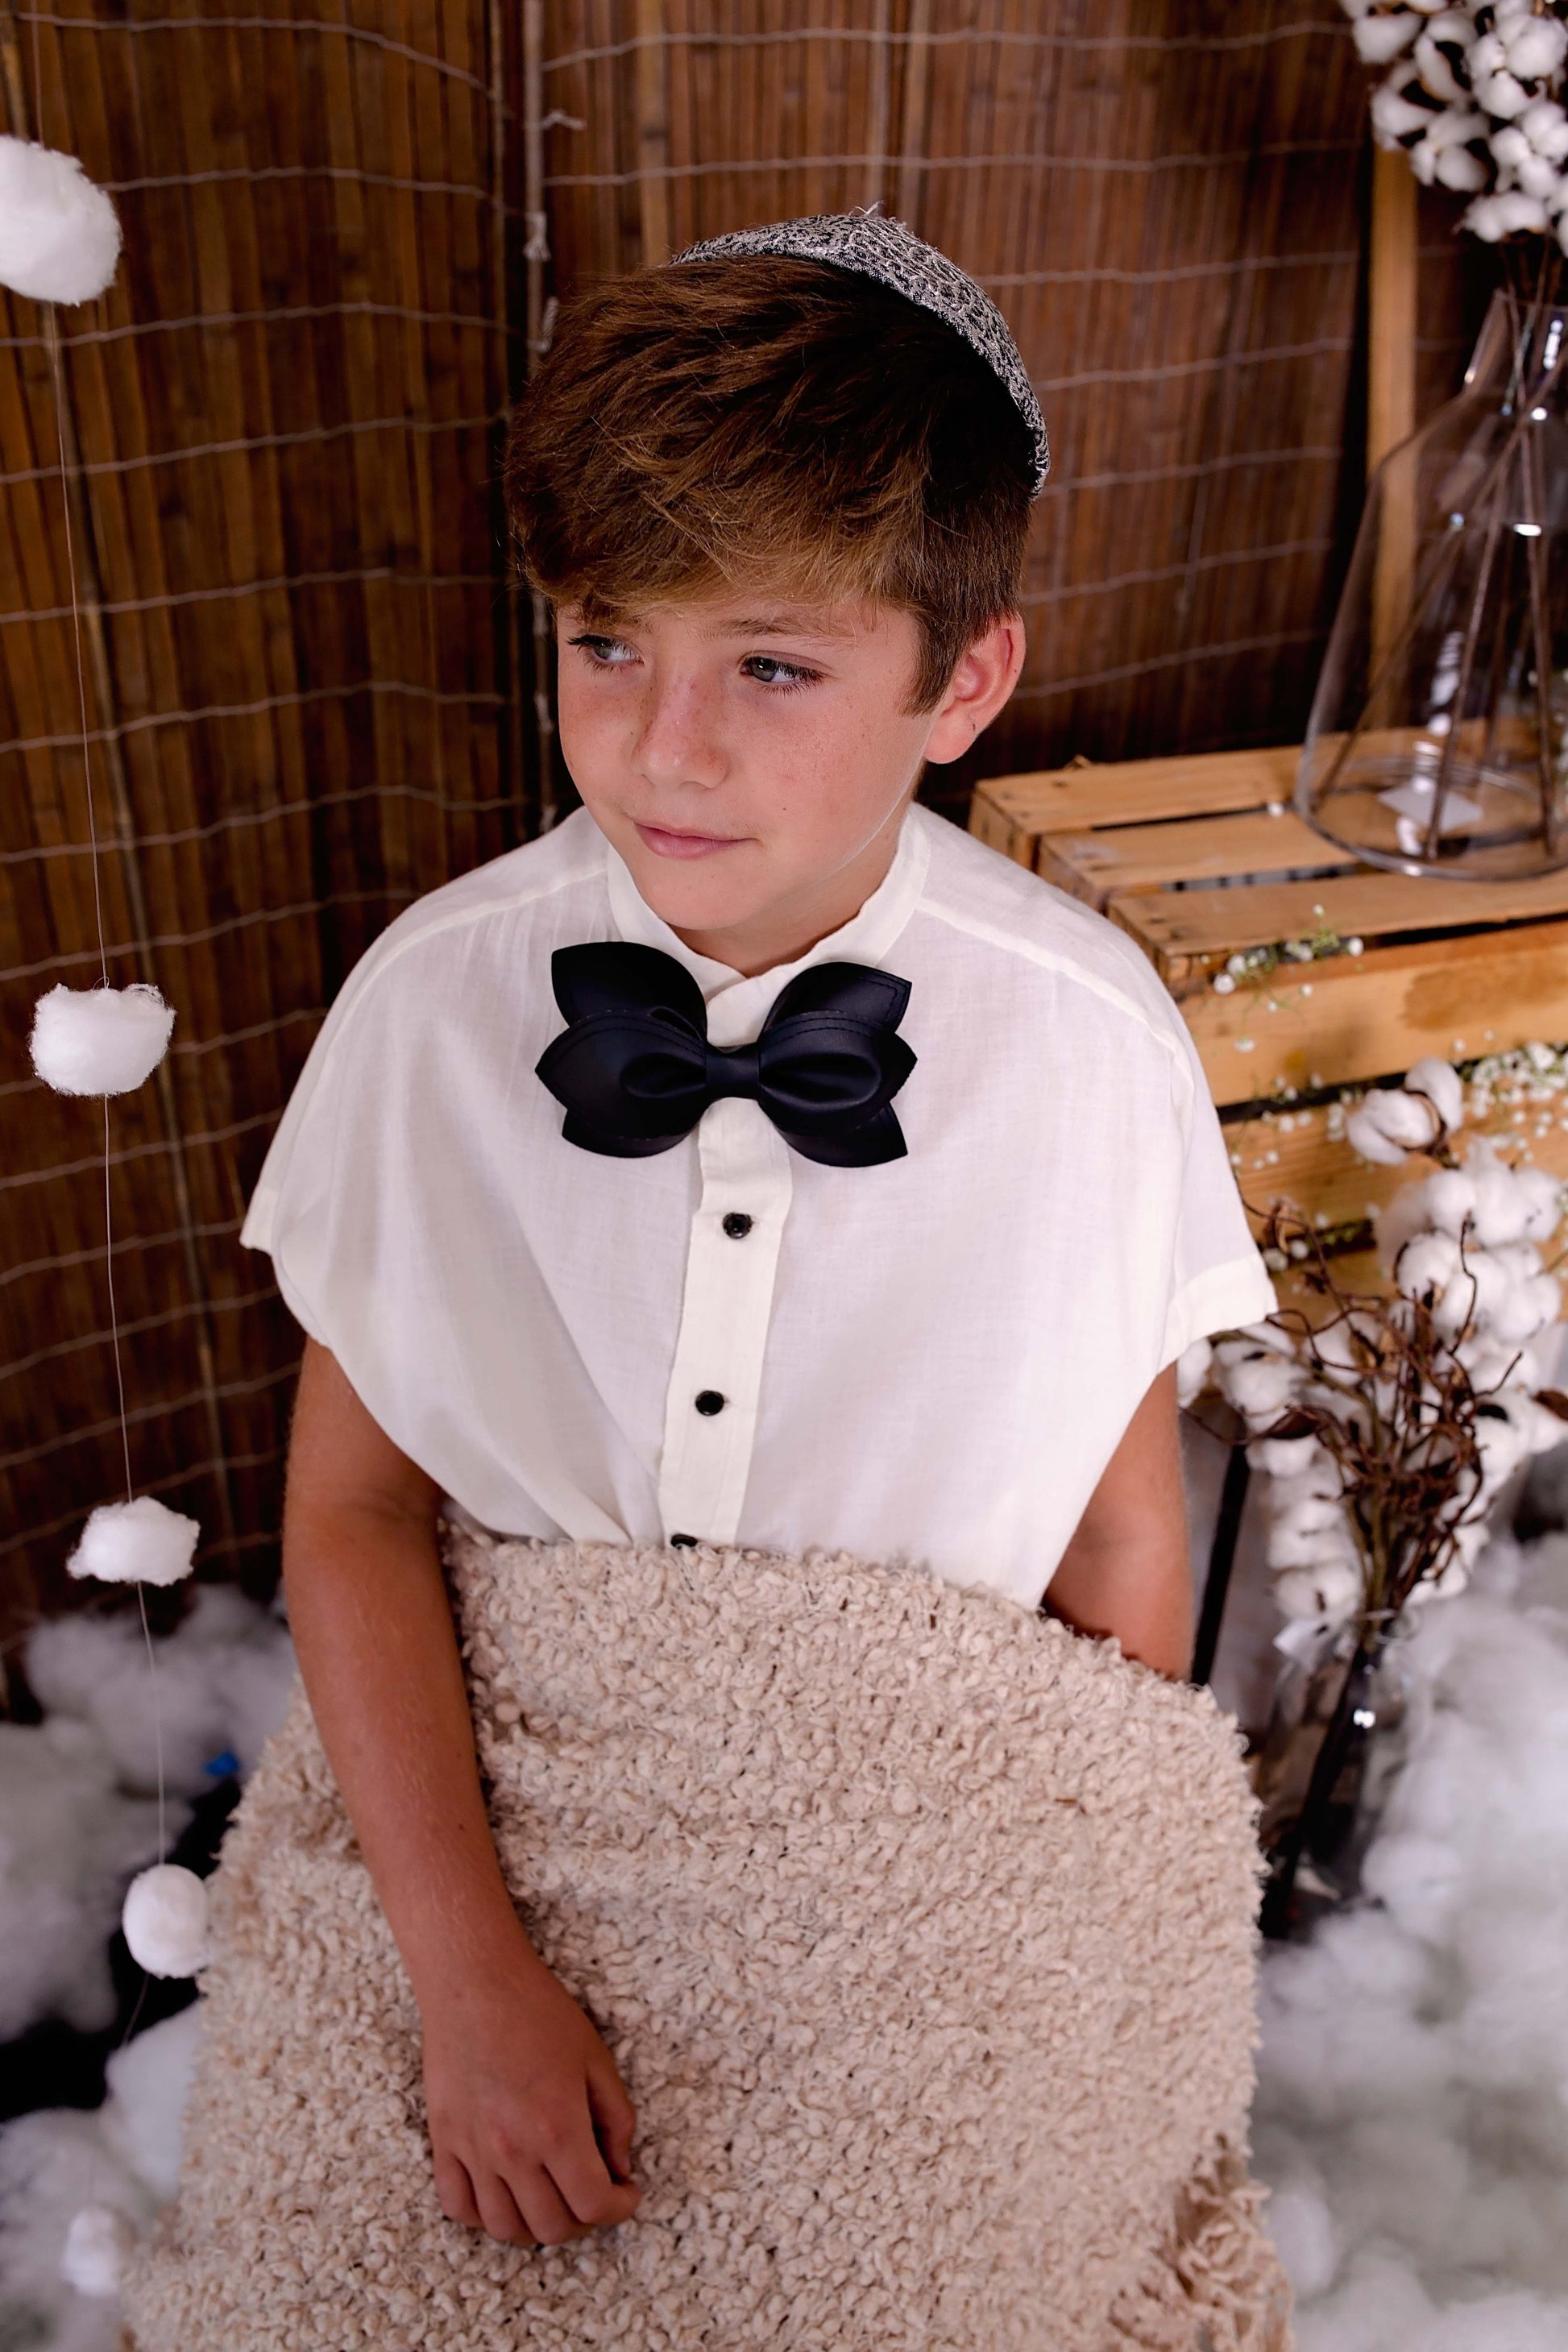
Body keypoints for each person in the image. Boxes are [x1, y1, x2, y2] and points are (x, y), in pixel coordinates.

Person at [145, 213, 1279, 2342]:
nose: (664, 747)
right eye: (606, 643)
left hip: (927, 1854)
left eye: (771, 666)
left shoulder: (1087, 1042)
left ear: (961, 683)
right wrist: (469, 1982)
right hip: (498, 1810)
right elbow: (357, 1510)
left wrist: (1057, 1962)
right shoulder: (433, 1006)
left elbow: (1120, 1536)